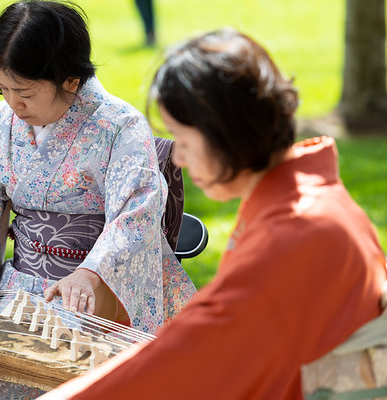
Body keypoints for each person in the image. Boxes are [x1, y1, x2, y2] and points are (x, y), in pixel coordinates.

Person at [39, 28, 387, 400]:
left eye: (184, 140)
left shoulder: (296, 232)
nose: (178, 158)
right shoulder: (307, 201)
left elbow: (194, 349)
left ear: (227, 132)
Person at [0, 0, 195, 399]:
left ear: (70, 79)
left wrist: (93, 272)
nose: (13, 105)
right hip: (21, 292)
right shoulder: (1, 123)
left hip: (94, 296)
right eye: (3, 89)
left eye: (25, 92)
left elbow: (136, 215)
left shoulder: (119, 126)